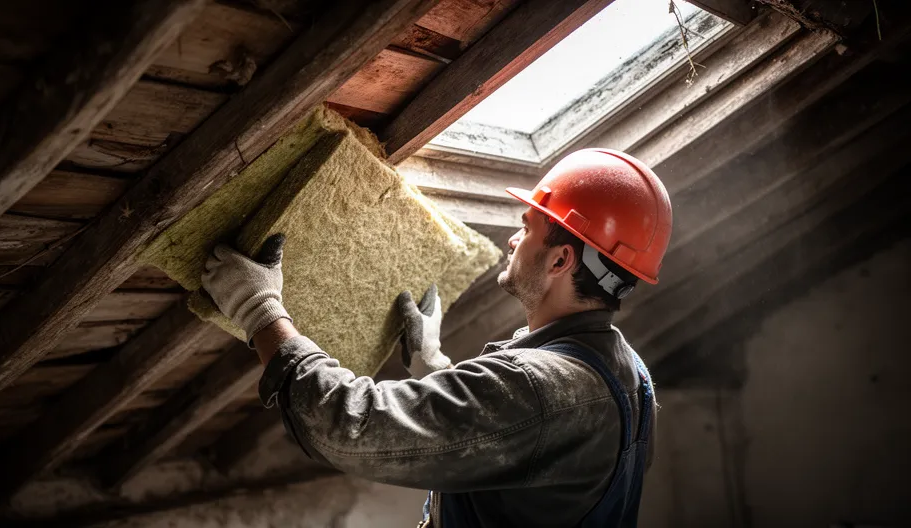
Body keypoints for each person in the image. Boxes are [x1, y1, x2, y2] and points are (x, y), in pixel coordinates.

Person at [202, 148, 673, 527]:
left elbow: (349, 427)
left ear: (559, 262)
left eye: (526, 228)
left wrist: (258, 309)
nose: (513, 239)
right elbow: (536, 457)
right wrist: (435, 368)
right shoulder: (631, 374)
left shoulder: (539, 388)